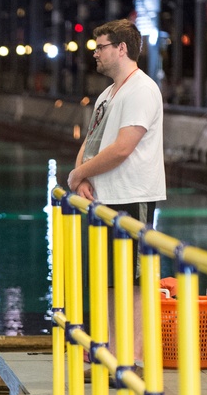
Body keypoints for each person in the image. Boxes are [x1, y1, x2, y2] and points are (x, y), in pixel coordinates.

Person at [66, 18, 166, 251]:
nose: (95, 53)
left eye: (100, 47)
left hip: (130, 198)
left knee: (132, 280)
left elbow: (122, 148)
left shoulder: (141, 89)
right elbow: (91, 141)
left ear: (121, 48)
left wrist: (77, 174)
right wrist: (83, 179)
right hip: (104, 198)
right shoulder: (107, 94)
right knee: (108, 279)